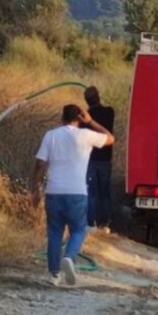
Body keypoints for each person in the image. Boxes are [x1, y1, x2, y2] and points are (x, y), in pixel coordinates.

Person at [31, 104, 115, 286]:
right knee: (78, 229)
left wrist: (36, 188)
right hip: (77, 193)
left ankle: (54, 275)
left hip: (54, 192)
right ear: (79, 118)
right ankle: (69, 257)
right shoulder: (86, 135)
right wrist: (91, 121)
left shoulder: (51, 136)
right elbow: (110, 138)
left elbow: (39, 164)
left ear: (62, 117)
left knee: (54, 233)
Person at [82, 86, 115, 232]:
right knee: (104, 193)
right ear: (98, 96)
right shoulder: (109, 112)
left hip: (90, 159)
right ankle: (105, 223)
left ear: (87, 101)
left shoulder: (87, 116)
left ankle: (90, 223)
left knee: (91, 193)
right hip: (105, 159)